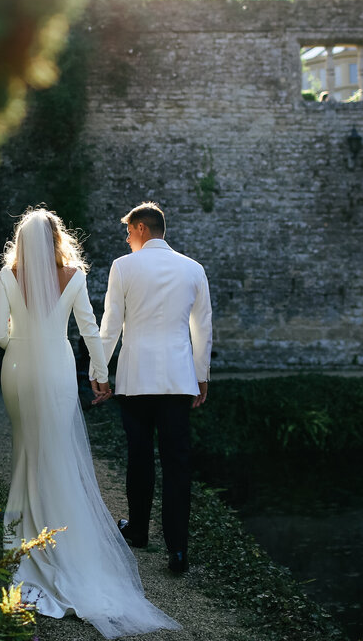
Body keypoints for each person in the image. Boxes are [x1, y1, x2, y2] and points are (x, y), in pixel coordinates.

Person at [0, 208, 180, 639]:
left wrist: (18, 332)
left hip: (17, 368)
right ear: (57, 239)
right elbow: (89, 329)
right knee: (54, 450)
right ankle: (57, 542)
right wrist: (100, 371)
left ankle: (22, 540)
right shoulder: (74, 275)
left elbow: (0, 334)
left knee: (25, 449)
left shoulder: (7, 276)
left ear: (22, 242)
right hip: (56, 369)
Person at [97, 202, 212, 575]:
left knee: (140, 456)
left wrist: (99, 370)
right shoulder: (194, 269)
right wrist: (201, 375)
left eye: (129, 231)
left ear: (143, 229)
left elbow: (111, 323)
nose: (127, 238)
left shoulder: (123, 267)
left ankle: (139, 531)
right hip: (178, 380)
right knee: (177, 464)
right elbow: (203, 329)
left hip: (135, 380)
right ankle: (178, 550)